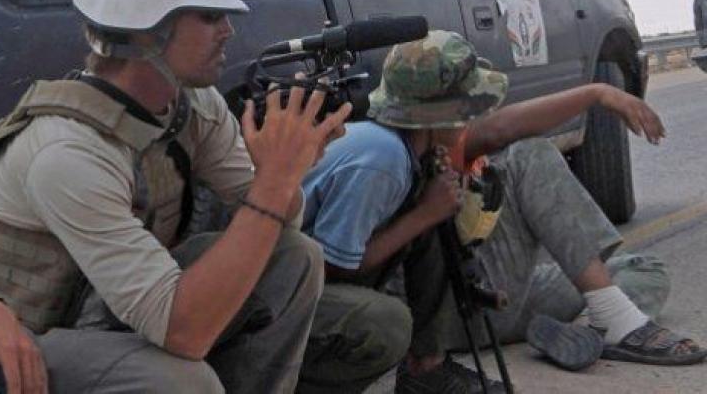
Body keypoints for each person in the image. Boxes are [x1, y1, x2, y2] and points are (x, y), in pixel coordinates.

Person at [0, 0, 350, 393]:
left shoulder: (192, 105)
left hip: (103, 306)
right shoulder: (68, 152)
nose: (228, 31)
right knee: (181, 382)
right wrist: (275, 182)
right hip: (19, 343)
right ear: (145, 27)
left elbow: (285, 223)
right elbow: (186, 334)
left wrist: (287, 168)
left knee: (294, 257)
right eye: (210, 15)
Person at [296, 30, 705, 394]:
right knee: (530, 156)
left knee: (643, 269)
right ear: (441, 113)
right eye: (468, 106)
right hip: (420, 307)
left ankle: (598, 319)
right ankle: (609, 319)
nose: (476, 115)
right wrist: (426, 214)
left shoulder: (416, 139)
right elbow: (333, 267)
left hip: (475, 289)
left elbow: (501, 129)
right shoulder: (384, 155)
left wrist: (596, 94)